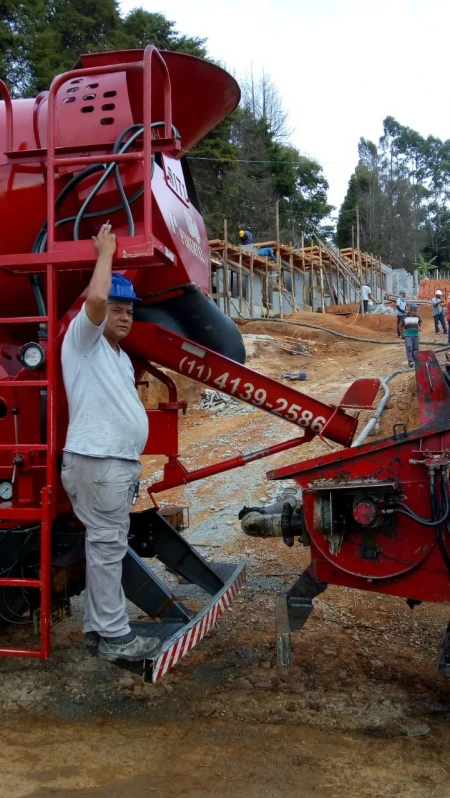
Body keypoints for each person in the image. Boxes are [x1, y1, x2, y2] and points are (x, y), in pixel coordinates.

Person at [61, 223, 160, 663]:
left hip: (110, 465)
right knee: (105, 546)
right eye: (118, 308)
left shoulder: (115, 356)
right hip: (98, 463)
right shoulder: (84, 341)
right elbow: (95, 300)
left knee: (104, 546)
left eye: (131, 311)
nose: (124, 316)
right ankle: (116, 637)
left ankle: (98, 630)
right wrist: (106, 254)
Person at [400, 303, 422, 368]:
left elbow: (420, 322)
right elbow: (400, 325)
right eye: (414, 311)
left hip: (415, 335)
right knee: (409, 347)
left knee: (416, 348)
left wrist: (420, 327)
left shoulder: (417, 317)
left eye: (416, 311)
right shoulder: (405, 317)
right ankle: (410, 361)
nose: (415, 312)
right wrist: (401, 334)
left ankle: (415, 360)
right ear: (411, 310)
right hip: (408, 335)